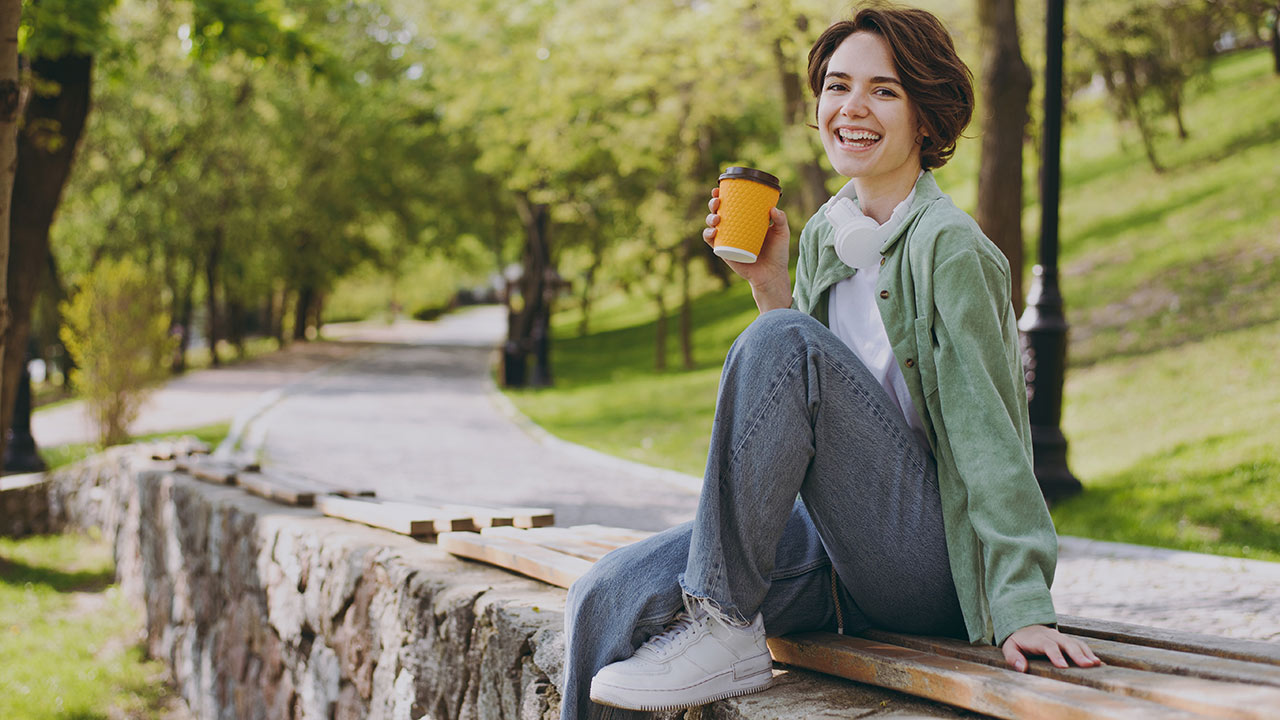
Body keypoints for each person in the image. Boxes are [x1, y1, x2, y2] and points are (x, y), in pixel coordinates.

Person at [559, 6, 1101, 718]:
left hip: (925, 563)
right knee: (607, 593)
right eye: (838, 86)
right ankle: (716, 626)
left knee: (783, 341)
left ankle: (725, 627)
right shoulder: (824, 238)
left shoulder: (951, 249)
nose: (852, 106)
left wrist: (1025, 603)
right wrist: (771, 287)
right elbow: (801, 414)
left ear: (926, 119)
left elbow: (991, 437)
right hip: (837, 545)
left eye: (884, 90)